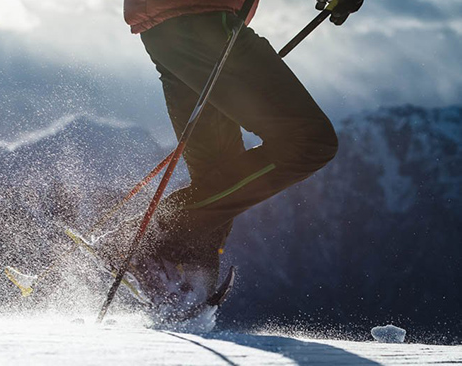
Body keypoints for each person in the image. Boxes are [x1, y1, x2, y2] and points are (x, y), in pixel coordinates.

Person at [99, 0, 364, 312]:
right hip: (203, 23)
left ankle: (182, 275)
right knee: (309, 141)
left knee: (219, 171)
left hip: (168, 31)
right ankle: (154, 238)